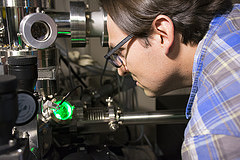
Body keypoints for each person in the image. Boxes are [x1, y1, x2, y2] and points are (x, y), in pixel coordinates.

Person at [100, 0, 240, 159]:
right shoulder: (234, 15)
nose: (121, 70)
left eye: (120, 52)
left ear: (162, 34)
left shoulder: (209, 140)